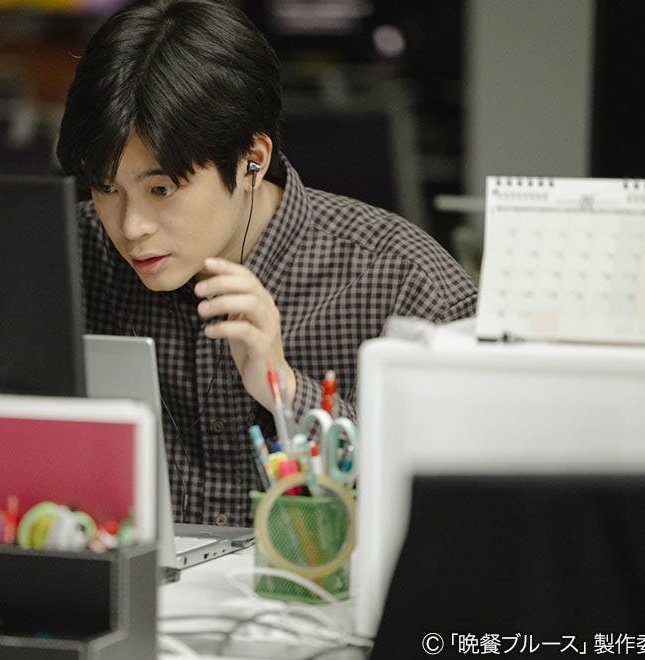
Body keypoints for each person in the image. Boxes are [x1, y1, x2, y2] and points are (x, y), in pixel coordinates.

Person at [56, 0, 477, 527]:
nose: (131, 226)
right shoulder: (68, 256)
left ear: (251, 161)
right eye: (106, 188)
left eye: (161, 189)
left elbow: (464, 498)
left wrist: (286, 390)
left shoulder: (402, 280)